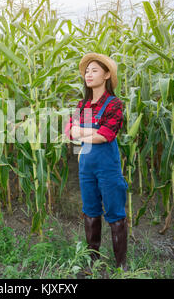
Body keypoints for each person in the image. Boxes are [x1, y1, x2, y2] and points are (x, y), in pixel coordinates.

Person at [64, 52, 128, 271]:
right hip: (86, 167)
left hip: (107, 166)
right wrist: (86, 132)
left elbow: (106, 135)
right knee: (90, 211)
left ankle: (121, 266)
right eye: (86, 71)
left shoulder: (114, 104)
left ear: (107, 74)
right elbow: (69, 132)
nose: (88, 75)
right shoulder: (82, 105)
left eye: (94, 70)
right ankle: (93, 260)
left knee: (115, 212)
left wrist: (81, 132)